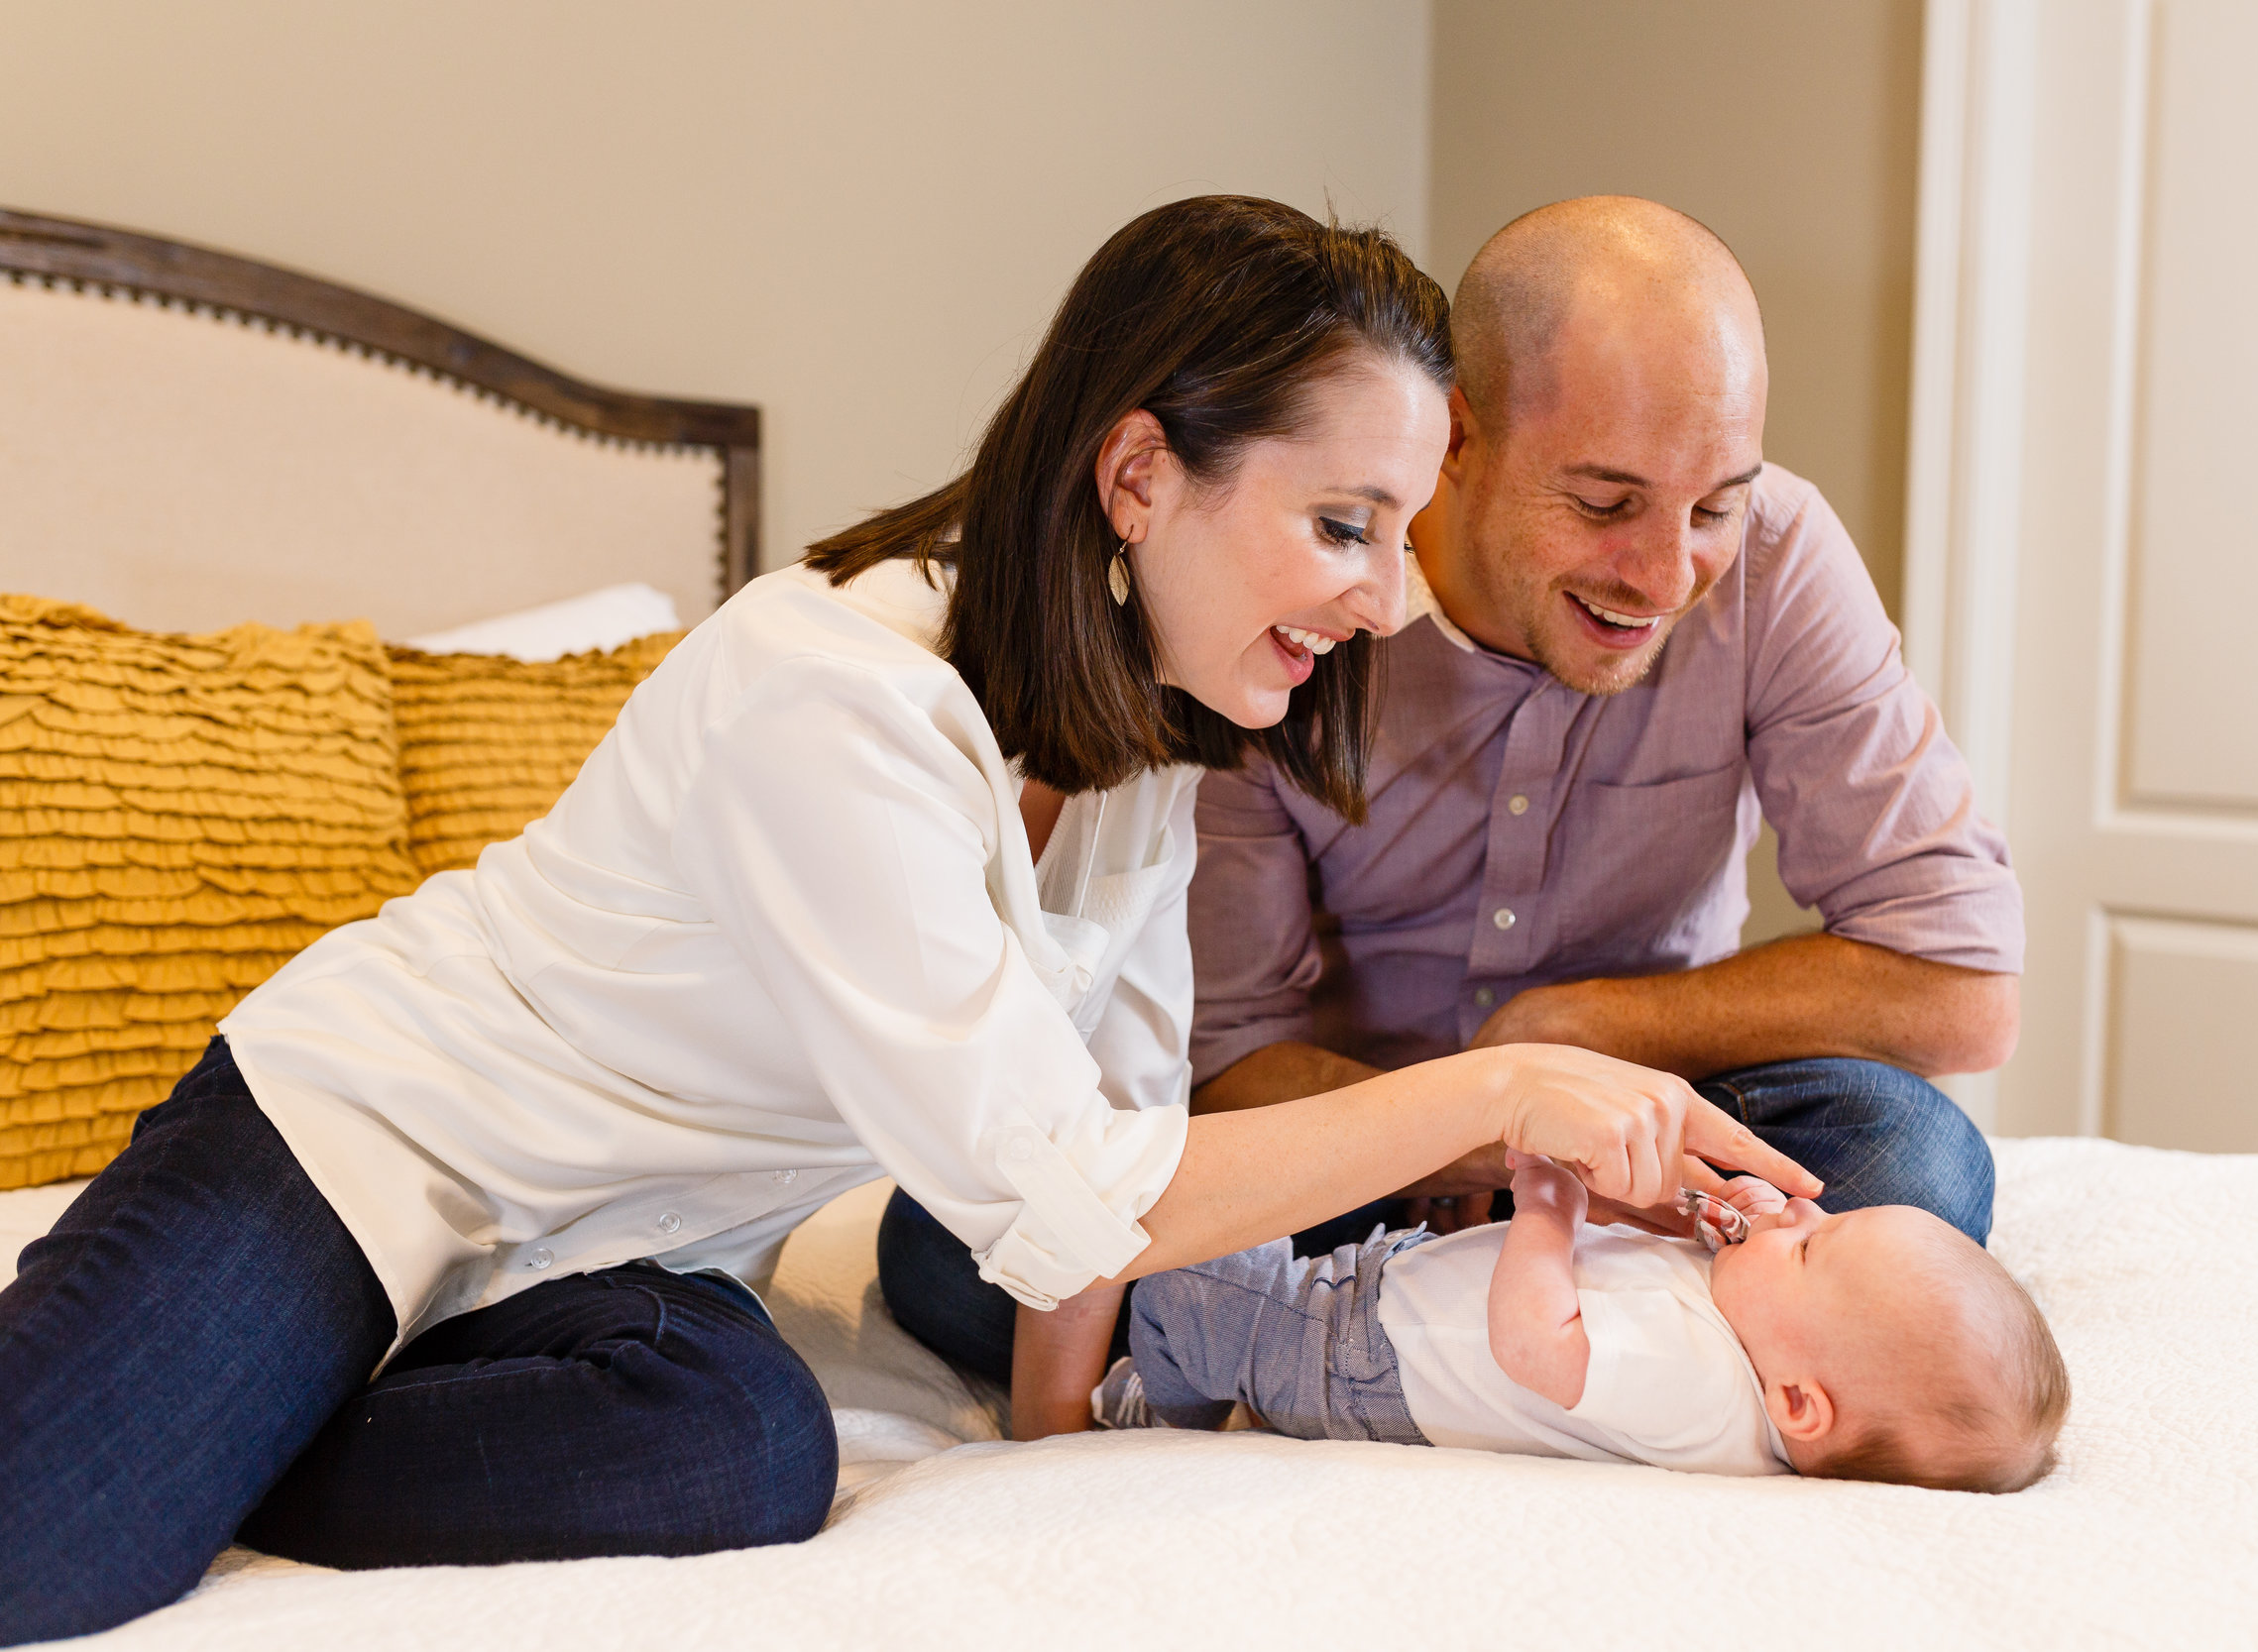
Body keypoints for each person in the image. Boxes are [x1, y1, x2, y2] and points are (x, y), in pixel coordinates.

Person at [0, 195, 1819, 1646]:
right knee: (48, 1548)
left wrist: (1056, 1453)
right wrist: (1502, 1093)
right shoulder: (836, 694)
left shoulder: (1142, 749)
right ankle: (166, 1377)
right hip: (371, 1145)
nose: (1378, 598)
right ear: (1139, 476)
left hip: (619, 1262)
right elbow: (1084, 1187)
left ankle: (232, 1419)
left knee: (744, 1447)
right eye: (1343, 522)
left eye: (1398, 528)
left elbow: (1100, 1146)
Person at [1185, 195, 2023, 1255]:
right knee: (965, 1257)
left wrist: (1582, 1029)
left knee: (1914, 1158)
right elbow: (1228, 1057)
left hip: (1646, 1126)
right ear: (1454, 441)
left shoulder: (1778, 559)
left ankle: (1502, 1291)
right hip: (1347, 1136)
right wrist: (1475, 1120)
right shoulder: (1306, 581)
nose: (1668, 577)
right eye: (1603, 504)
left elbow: (1964, 985)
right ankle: (1600, 1292)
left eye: (1713, 506)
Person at [1107, 1154, 2070, 1495]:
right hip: (1385, 1297)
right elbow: (1643, 1273)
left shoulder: (1694, 1381)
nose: (1800, 1215)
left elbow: (1537, 1344)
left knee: (1180, 1279)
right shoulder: (1754, 1331)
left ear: (1798, 1404)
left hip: (1358, 1357)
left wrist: (1547, 1206)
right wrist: (1708, 1218)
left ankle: (1154, 1406)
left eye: (1814, 1246)